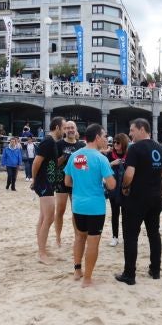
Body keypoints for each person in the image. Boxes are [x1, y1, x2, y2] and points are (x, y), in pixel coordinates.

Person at [116, 118, 162, 285]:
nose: (130, 134)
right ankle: (155, 270)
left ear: (141, 129)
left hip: (137, 198)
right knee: (154, 234)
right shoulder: (159, 148)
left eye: (132, 130)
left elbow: (129, 174)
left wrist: (124, 186)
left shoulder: (135, 148)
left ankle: (129, 274)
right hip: (155, 197)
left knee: (131, 236)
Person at [64, 123, 116, 287]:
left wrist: (81, 185)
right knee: (93, 242)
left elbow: (67, 182)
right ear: (98, 137)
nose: (106, 139)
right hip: (95, 207)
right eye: (105, 136)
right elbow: (112, 185)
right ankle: (87, 279)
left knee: (79, 237)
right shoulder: (101, 158)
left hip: (78, 205)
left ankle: (77, 270)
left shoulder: (75, 156)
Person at [32, 117, 64, 263]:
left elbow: (51, 162)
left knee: (43, 217)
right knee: (49, 217)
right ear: (57, 127)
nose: (64, 131)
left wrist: (64, 157)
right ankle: (41, 253)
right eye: (63, 127)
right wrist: (34, 180)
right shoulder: (48, 141)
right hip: (44, 183)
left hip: (48, 182)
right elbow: (36, 162)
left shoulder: (53, 143)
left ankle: (42, 248)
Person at [54, 121, 86, 247]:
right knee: (60, 210)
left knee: (76, 211)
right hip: (61, 181)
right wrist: (64, 157)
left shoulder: (81, 146)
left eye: (72, 127)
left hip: (76, 182)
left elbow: (83, 166)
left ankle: (77, 236)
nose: (70, 130)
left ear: (76, 129)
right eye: (67, 128)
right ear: (64, 130)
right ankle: (58, 237)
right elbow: (54, 163)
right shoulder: (58, 144)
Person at [105, 133, 129, 247]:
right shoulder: (110, 155)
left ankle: (125, 237)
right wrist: (111, 163)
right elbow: (103, 169)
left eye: (118, 142)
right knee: (115, 213)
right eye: (114, 142)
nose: (115, 144)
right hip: (113, 188)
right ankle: (115, 237)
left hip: (125, 188)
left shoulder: (129, 155)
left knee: (125, 214)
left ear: (123, 143)